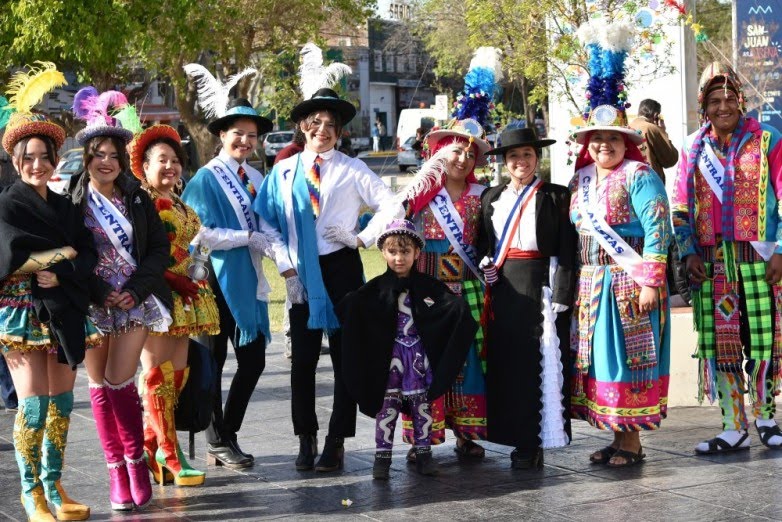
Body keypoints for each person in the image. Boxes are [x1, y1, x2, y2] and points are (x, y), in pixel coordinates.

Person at [256, 87, 401, 473]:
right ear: (303, 126)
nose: (323, 129)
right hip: (301, 270)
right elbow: (267, 223)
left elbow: (392, 205)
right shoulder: (284, 171)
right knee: (302, 360)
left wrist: (363, 238)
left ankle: (336, 441)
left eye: (331, 125)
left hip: (342, 269)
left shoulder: (353, 169)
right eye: (316, 122)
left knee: (344, 358)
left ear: (339, 132)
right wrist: (286, 269)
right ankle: (306, 438)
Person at [569, 19, 671, 468]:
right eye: (597, 139)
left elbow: (659, 228)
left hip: (629, 281)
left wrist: (651, 281)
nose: (604, 145)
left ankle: (631, 441)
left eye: (613, 138)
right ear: (588, 144)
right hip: (592, 282)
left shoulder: (640, 175)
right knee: (603, 362)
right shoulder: (581, 179)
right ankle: (616, 437)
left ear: (626, 141)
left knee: (630, 357)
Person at [0, 64, 98, 522]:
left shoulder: (65, 204)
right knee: (33, 402)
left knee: (61, 402)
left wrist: (61, 269)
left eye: (45, 156)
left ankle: (55, 484)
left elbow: (88, 255)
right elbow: (9, 259)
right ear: (16, 161)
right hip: (21, 312)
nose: (37, 165)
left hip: (62, 308)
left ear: (56, 158)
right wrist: (58, 253)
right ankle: (30, 491)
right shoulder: (7, 204)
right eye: (28, 158)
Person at [70, 86, 173, 510]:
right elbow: (72, 255)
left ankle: (135, 461)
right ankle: (114, 468)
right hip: (95, 302)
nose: (106, 162)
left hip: (134, 300)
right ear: (87, 158)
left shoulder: (137, 198)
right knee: (97, 385)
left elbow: (158, 251)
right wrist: (99, 291)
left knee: (119, 380)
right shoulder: (72, 202)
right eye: (99, 154)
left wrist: (133, 291)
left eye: (113, 154)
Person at [672, 62, 782, 454]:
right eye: (715, 100)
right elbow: (680, 207)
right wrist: (686, 252)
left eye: (730, 99)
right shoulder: (691, 148)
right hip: (712, 263)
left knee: (764, 343)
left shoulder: (767, 140)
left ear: (742, 102)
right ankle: (733, 425)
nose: (723, 107)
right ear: (704, 106)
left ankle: (767, 418)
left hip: (760, 259)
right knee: (724, 346)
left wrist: (781, 251)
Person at [339, 220, 477, 479]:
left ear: (417, 254)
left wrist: (459, 313)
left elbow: (452, 307)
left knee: (421, 405)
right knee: (386, 406)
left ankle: (424, 455)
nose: (399, 258)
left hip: (417, 359)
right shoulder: (375, 290)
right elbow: (353, 306)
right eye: (393, 252)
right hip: (389, 360)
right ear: (383, 253)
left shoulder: (428, 286)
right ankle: (382, 460)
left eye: (405, 252)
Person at [127, 124, 220, 486]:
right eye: (161, 160)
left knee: (177, 375)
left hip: (184, 296)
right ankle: (169, 451)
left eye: (175, 160)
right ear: (145, 166)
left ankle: (151, 445)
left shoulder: (180, 201)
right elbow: (139, 254)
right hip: (155, 296)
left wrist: (194, 270)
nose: (170, 166)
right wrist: (171, 277)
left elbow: (190, 244)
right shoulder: (141, 202)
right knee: (156, 374)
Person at [477, 127, 575, 469]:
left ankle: (536, 440)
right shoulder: (490, 198)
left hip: (541, 287)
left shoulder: (556, 196)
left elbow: (566, 249)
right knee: (509, 366)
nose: (521, 161)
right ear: (505, 162)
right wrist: (485, 263)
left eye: (528, 155)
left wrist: (562, 292)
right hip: (504, 289)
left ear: (538, 158)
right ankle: (515, 438)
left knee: (538, 364)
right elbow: (482, 245)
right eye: (514, 156)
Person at [629, 99, 679, 183]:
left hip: (631, 179)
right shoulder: (652, 128)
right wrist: (663, 131)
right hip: (651, 181)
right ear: (656, 115)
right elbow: (670, 159)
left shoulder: (628, 127)